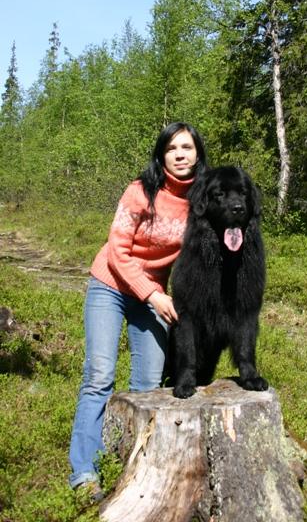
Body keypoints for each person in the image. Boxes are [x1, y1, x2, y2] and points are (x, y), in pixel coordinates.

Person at [68, 122, 207, 500]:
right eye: (172, 148)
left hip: (152, 295)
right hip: (110, 285)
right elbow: (118, 251)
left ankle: (137, 466)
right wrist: (153, 295)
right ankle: (84, 472)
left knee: (148, 388)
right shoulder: (139, 191)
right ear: (161, 155)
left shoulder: (201, 199)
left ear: (198, 154)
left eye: (187, 148)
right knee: (99, 376)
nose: (180, 155)